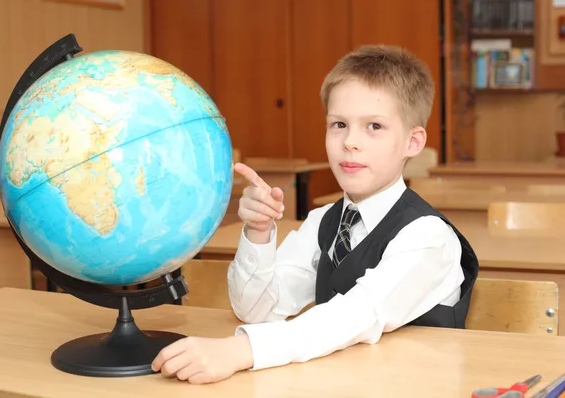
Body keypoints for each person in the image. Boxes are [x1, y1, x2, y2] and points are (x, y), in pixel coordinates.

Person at [151, 44, 479, 384]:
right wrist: (259, 233)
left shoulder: (428, 237)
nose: (350, 141)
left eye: (374, 127)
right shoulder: (325, 221)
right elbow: (258, 311)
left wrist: (239, 351)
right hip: (343, 384)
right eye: (339, 124)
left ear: (413, 142)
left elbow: (355, 316)